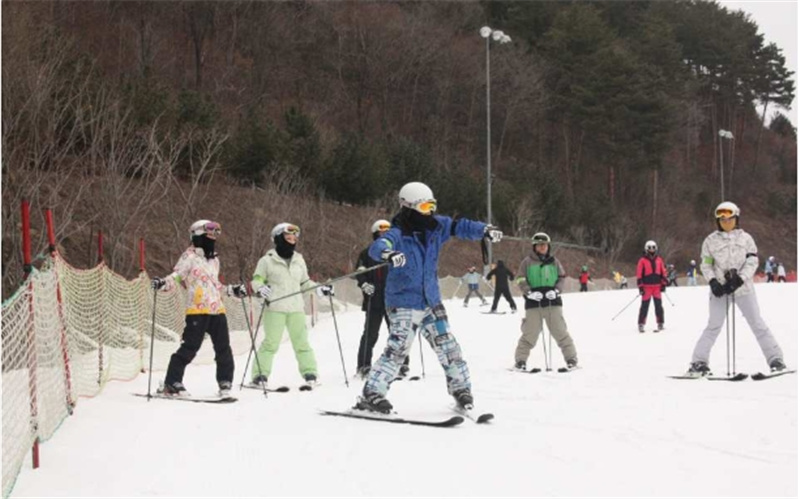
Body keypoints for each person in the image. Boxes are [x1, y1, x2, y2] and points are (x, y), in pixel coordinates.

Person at [356, 181, 502, 413]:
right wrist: (388, 253)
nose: (430, 212)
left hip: (431, 301)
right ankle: (372, 393)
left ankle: (460, 389)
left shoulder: (436, 227)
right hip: (403, 301)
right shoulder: (398, 233)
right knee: (398, 349)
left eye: (432, 206)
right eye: (425, 207)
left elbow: (460, 226)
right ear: (409, 207)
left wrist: (484, 230)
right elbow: (379, 246)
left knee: (448, 346)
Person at [685, 201, 786, 376]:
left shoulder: (746, 238)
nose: (726, 223)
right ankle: (698, 362)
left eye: (730, 220)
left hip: (743, 289)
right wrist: (713, 283)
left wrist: (740, 278)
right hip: (720, 291)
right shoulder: (710, 241)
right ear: (718, 222)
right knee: (714, 326)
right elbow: (706, 264)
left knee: (757, 323)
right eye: (723, 220)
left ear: (736, 219)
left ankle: (776, 359)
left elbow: (752, 261)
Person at [151, 220, 247, 398]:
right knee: (190, 346)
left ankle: (225, 382)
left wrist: (231, 290)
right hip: (197, 309)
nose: (212, 239)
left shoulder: (214, 260)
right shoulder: (189, 257)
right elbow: (178, 277)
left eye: (214, 236)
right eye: (208, 235)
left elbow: (215, 285)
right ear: (197, 235)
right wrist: (163, 283)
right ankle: (172, 382)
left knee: (223, 348)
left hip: (217, 309)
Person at [250, 223, 331, 388]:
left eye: (294, 239)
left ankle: (310, 374)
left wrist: (319, 289)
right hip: (275, 308)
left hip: (296, 309)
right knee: (270, 344)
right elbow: (256, 279)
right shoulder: (267, 260)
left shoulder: (299, 260)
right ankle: (260, 375)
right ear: (279, 239)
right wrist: (260, 288)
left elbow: (305, 282)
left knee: (301, 343)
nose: (292, 241)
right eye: (288, 238)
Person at [354, 219, 410, 379]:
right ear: (375, 234)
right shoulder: (367, 253)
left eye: (388, 232)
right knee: (370, 334)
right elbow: (360, 271)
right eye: (381, 232)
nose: (384, 235)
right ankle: (363, 365)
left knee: (398, 332)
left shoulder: (398, 254)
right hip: (374, 299)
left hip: (393, 299)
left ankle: (402, 363)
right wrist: (364, 283)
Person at [514, 232, 578, 371]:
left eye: (545, 245)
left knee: (560, 331)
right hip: (533, 302)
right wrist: (529, 292)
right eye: (539, 245)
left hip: (552, 301)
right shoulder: (527, 262)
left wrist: (556, 290)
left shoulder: (554, 261)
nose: (542, 247)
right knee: (530, 333)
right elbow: (520, 279)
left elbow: (562, 277)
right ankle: (520, 361)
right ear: (534, 246)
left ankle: (571, 359)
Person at [636, 240, 668, 333]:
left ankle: (660, 322)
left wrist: (664, 284)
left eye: (653, 248)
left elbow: (663, 272)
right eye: (650, 248)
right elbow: (639, 274)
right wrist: (640, 287)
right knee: (644, 306)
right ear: (646, 249)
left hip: (657, 287)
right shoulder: (642, 260)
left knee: (658, 306)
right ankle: (641, 324)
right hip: (647, 287)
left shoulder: (659, 260)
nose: (652, 250)